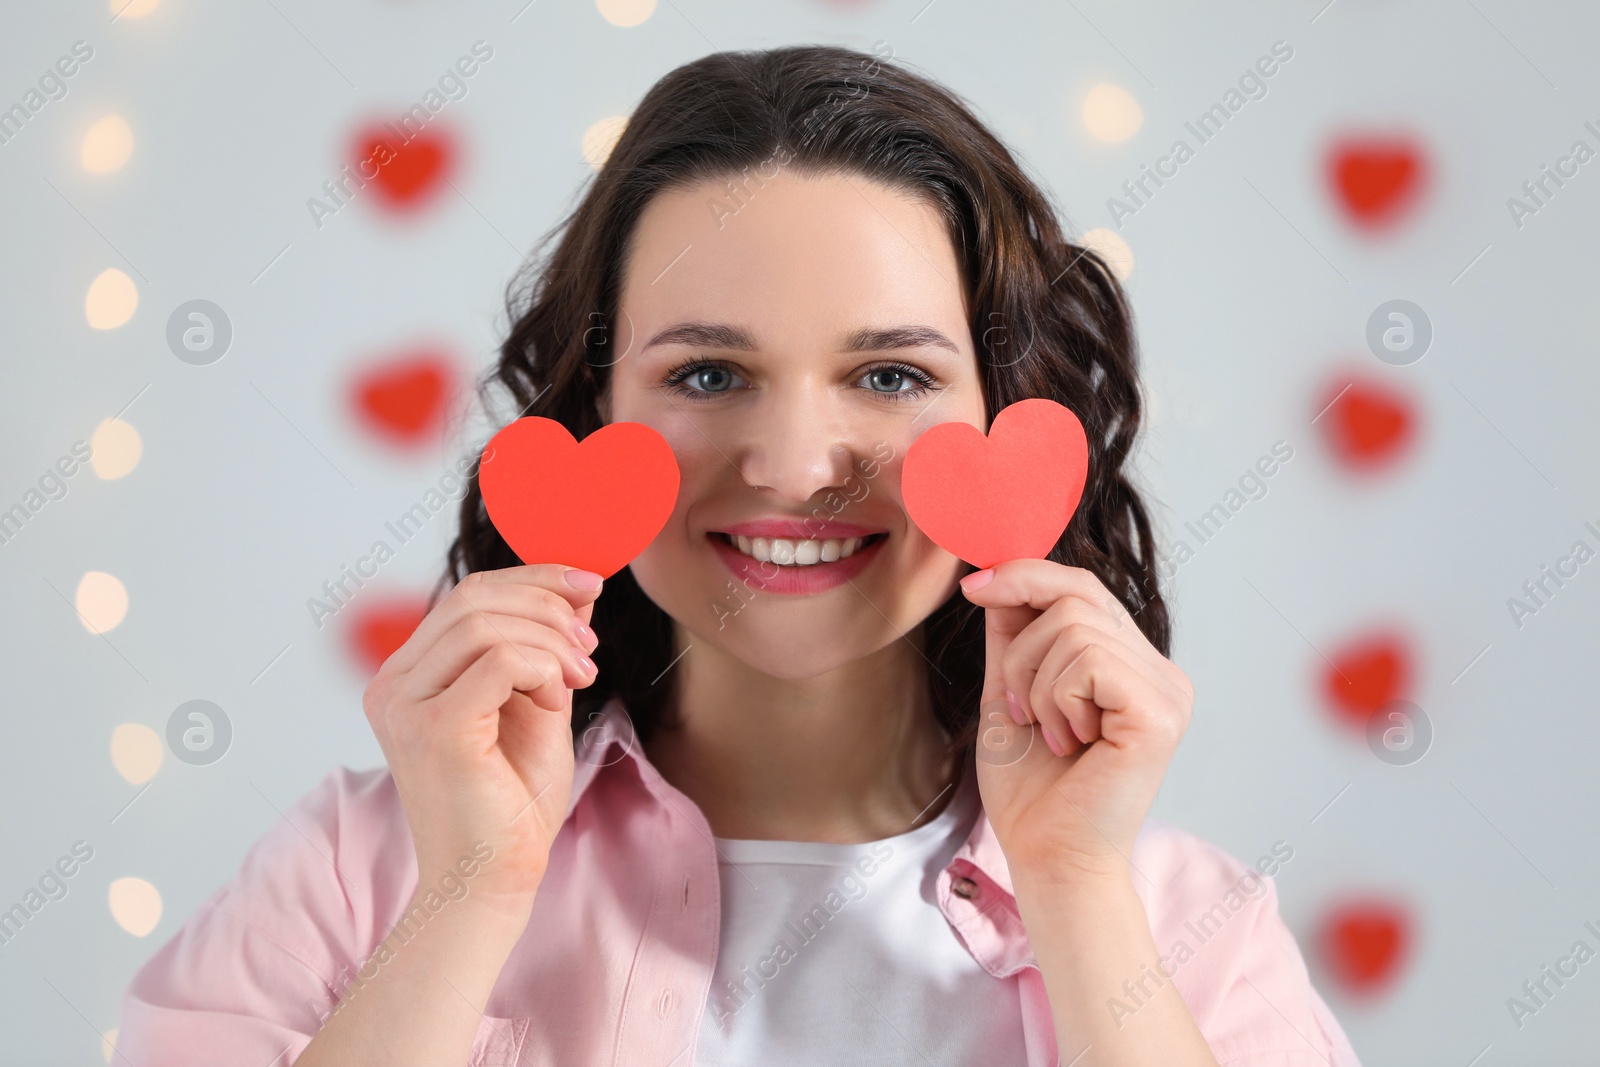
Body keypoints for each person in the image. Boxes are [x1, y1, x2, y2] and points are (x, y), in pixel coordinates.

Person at [117, 44, 1358, 1066]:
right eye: (708, 373)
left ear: (1004, 411)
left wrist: (1079, 891)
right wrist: (471, 891)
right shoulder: (352, 869)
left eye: (889, 374)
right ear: (593, 409)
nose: (793, 463)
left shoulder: (1190, 925)